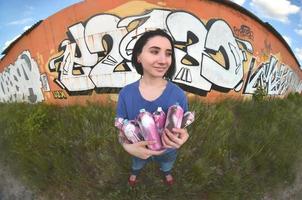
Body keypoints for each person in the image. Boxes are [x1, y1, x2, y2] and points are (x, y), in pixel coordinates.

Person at [116, 29, 189, 186]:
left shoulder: (178, 95)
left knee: (167, 163)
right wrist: (128, 148)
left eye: (168, 54)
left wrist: (184, 136)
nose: (163, 60)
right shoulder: (126, 94)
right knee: (137, 163)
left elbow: (182, 127)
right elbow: (121, 129)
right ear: (138, 56)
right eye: (154, 51)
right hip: (139, 150)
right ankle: (135, 172)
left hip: (168, 151)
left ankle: (166, 171)